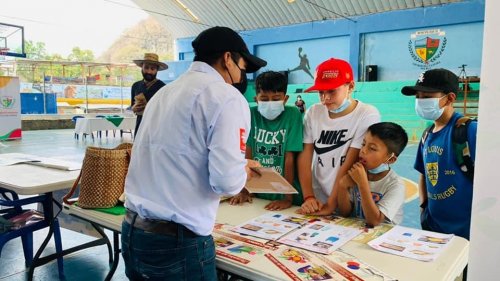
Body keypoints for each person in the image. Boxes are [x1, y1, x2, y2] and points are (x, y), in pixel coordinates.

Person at [121, 26, 266, 281]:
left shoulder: (164, 94)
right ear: (228, 59)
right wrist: (242, 169)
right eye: (243, 66)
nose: (243, 75)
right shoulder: (227, 97)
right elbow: (226, 182)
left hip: (134, 232)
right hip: (177, 245)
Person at [297, 58, 381, 216]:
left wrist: (331, 203)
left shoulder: (366, 114)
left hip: (347, 199)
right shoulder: (314, 112)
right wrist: (308, 196)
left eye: (331, 91)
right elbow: (305, 155)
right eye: (321, 92)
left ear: (350, 87)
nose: (325, 98)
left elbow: (350, 161)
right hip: (317, 197)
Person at [401, 68, 477, 240]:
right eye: (418, 96)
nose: (420, 101)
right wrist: (423, 209)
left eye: (427, 97)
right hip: (433, 228)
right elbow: (424, 174)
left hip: (465, 233)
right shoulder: (427, 134)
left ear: (449, 98)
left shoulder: (469, 131)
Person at [229, 71, 304, 210]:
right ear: (256, 99)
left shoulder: (293, 115)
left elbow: (289, 159)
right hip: (258, 193)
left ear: (285, 99)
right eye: (264, 99)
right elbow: (248, 154)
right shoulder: (251, 114)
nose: (270, 103)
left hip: (288, 194)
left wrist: (287, 198)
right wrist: (245, 190)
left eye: (276, 99)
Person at [337, 122, 408, 226]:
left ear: (391, 159)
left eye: (372, 148)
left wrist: (362, 184)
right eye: (363, 144)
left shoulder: (395, 185)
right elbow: (345, 213)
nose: (363, 151)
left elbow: (374, 221)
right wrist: (342, 186)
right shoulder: (358, 173)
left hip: (383, 238)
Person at [131, 53, 167, 135]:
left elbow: (166, 112)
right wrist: (134, 108)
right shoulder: (135, 86)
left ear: (157, 70)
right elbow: (132, 107)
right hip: (139, 128)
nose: (149, 71)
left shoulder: (163, 88)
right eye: (146, 67)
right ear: (141, 67)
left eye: (152, 68)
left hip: (156, 130)